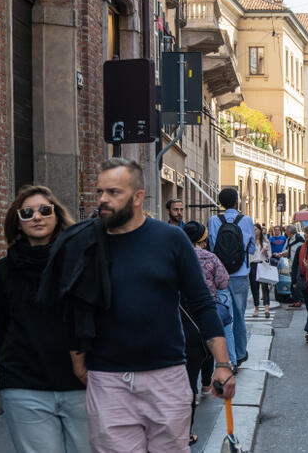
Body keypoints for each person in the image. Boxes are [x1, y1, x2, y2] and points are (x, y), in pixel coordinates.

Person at [41, 158, 235, 452]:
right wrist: (78, 358)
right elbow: (70, 304)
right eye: (100, 192)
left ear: (137, 197)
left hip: (166, 376)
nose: (104, 200)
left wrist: (222, 364)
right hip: (108, 380)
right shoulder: (83, 242)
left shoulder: (171, 239)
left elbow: (202, 304)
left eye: (114, 192)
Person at [0, 185, 85, 453]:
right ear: (17, 223)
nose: (37, 216)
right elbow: (2, 326)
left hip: (79, 385)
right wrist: (8, 367)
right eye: (27, 212)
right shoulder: (4, 270)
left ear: (56, 217)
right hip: (24, 386)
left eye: (45, 210)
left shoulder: (79, 263)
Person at [180, 221, 230, 446]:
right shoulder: (209, 257)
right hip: (204, 312)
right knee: (205, 350)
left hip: (179, 316)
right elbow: (223, 282)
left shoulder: (175, 255)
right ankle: (206, 384)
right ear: (203, 238)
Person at [208, 187, 255, 367]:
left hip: (220, 275)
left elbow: (212, 247)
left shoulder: (213, 220)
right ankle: (241, 352)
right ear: (237, 201)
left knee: (225, 316)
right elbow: (251, 249)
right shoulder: (246, 220)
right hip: (240, 274)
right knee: (240, 316)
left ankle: (230, 356)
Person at [278, 225, 305, 308]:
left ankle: (299, 300)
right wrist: (282, 254)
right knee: (293, 282)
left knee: (296, 282)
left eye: (286, 231)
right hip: (291, 264)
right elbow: (290, 251)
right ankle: (295, 300)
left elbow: (302, 253)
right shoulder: (289, 240)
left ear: (289, 232)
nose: (285, 232)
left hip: (297, 265)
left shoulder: (299, 241)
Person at [250, 223, 273, 319]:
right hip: (253, 265)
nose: (254, 231)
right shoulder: (250, 242)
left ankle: (266, 308)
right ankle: (256, 308)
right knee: (254, 287)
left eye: (255, 229)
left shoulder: (266, 241)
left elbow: (270, 255)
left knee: (265, 287)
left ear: (259, 230)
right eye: (253, 229)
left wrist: (266, 252)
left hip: (262, 264)